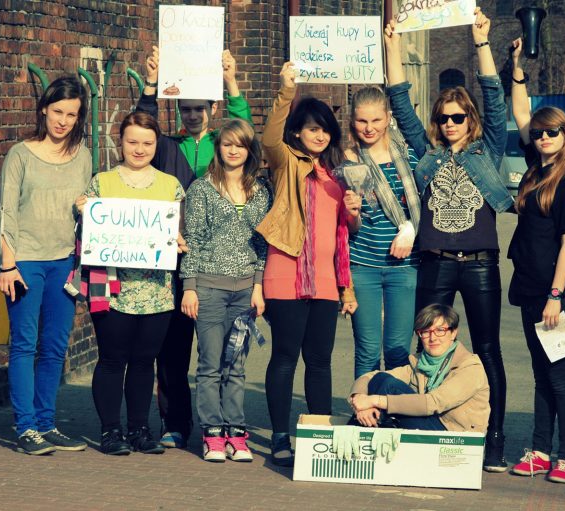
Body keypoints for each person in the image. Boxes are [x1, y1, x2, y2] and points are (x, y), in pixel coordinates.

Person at [383, 9, 513, 472]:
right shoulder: (428, 154)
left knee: (488, 348)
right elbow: (400, 102)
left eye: (458, 117)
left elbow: (496, 101)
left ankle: (493, 439)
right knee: (424, 344)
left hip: (479, 263)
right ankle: (422, 430)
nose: (451, 123)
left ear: (469, 119)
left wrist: (481, 43)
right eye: (444, 118)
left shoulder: (488, 149)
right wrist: (393, 47)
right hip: (436, 261)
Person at [135, 46, 253, 448]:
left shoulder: (226, 143)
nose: (192, 114)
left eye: (199, 108)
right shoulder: (168, 146)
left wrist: (232, 80)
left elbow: (245, 126)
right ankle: (175, 423)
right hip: (174, 256)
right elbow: (143, 124)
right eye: (185, 108)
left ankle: (219, 425)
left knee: (219, 353)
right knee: (172, 347)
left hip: (220, 264)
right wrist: (150, 83)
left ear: (212, 109)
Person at [256, 61, 360, 467]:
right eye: (312, 128)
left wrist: (353, 212)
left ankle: (318, 437)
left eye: (325, 129)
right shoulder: (285, 165)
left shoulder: (337, 178)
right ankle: (280, 437)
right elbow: (268, 136)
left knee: (319, 362)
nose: (319, 134)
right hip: (285, 276)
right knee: (284, 357)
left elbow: (341, 238)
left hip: (324, 284)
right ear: (298, 131)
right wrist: (286, 90)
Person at [0, 75, 91, 455]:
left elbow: (87, 209)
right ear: (44, 110)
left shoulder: (82, 156)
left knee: (53, 347)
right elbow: (6, 213)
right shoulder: (20, 154)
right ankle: (25, 427)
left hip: (64, 263)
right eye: (57, 112)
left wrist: (88, 208)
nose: (63, 120)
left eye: (72, 114)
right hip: (25, 263)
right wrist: (7, 265)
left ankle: (47, 423)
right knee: (23, 345)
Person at [507, 37, 565, 483]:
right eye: (539, 133)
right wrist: (517, 67)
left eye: (551, 131)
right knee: (541, 374)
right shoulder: (536, 169)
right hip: (529, 288)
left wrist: (556, 296)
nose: (542, 137)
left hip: (556, 293)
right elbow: (522, 113)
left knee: (560, 375)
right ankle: (539, 449)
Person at [83, 112, 185, 455]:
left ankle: (139, 429)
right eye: (132, 141)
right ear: (120, 141)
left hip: (156, 288)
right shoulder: (101, 182)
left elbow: (177, 232)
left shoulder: (170, 185)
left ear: (156, 145)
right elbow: (88, 235)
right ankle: (111, 431)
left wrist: (179, 240)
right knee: (112, 359)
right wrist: (83, 213)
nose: (139, 149)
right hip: (111, 286)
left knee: (145, 361)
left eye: (147, 142)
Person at [179, 119, 271, 463]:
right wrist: (190, 287)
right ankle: (212, 433)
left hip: (245, 290)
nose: (233, 150)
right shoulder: (203, 189)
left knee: (236, 365)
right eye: (227, 144)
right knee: (209, 364)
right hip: (209, 288)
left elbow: (263, 245)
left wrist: (258, 287)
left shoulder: (262, 192)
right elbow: (195, 241)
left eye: (241, 145)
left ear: (250, 150)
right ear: (218, 148)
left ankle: (236, 431)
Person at [338, 86, 422, 379]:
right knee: (368, 351)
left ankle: (394, 412)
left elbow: (424, 203)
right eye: (362, 121)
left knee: (399, 350)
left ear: (387, 118)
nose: (369, 128)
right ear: (352, 121)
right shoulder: (347, 161)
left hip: (405, 267)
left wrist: (410, 228)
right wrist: (352, 213)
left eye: (375, 120)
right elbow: (349, 229)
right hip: (363, 267)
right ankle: (364, 412)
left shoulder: (408, 156)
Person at [349, 304, 489, 432]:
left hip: (455, 437)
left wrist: (374, 400)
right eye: (426, 332)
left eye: (440, 330)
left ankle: (352, 436)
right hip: (430, 423)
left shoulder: (469, 367)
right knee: (381, 378)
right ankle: (359, 434)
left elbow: (434, 402)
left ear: (453, 333)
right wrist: (360, 400)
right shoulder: (421, 362)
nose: (432, 338)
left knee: (391, 386)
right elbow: (370, 377)